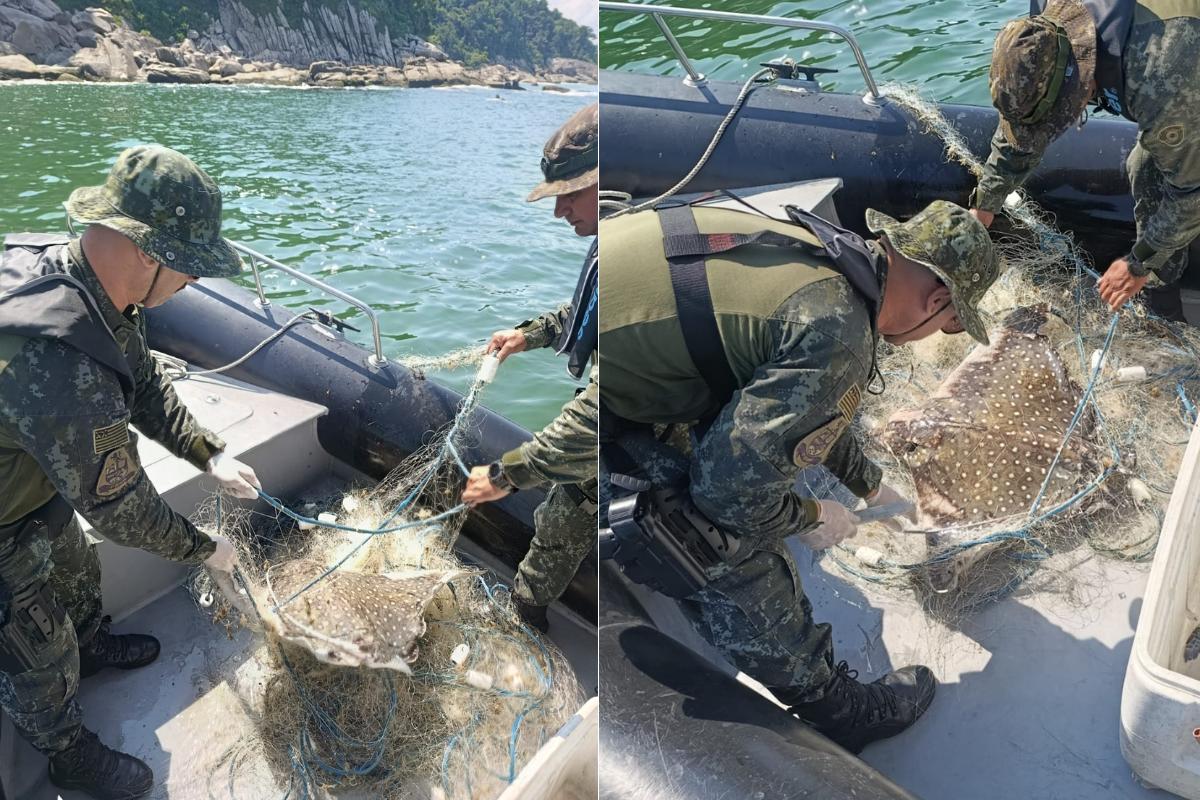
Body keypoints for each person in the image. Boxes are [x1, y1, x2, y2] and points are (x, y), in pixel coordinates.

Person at [599, 198, 1001, 752]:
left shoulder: (830, 258)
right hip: (601, 429)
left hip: (621, 355)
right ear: (936, 301)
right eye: (953, 325)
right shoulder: (840, 334)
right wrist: (812, 515)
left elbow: (801, 403)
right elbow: (729, 496)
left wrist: (868, 485)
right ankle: (836, 709)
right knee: (722, 541)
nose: (942, 336)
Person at [0, 145, 257, 800]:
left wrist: (206, 450)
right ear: (147, 251)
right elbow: (121, 509)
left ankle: (91, 643)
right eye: (191, 268)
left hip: (29, 482)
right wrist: (206, 549)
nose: (194, 283)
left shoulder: (86, 284)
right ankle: (66, 751)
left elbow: (142, 380)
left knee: (79, 569)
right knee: (37, 646)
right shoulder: (60, 369)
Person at [970, 0, 1200, 318]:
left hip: (1187, 63)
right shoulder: (1047, 30)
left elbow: (1192, 193)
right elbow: (1022, 122)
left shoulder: (1159, 75)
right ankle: (1163, 280)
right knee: (1143, 167)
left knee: (1146, 169)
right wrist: (983, 204)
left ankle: (1162, 294)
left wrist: (1139, 261)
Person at [461, 104, 599, 632]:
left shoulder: (642, 263)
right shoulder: (619, 243)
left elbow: (600, 414)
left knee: (564, 516)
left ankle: (526, 613)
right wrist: (530, 334)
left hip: (651, 423)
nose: (559, 212)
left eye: (570, 193)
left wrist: (504, 474)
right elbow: (586, 312)